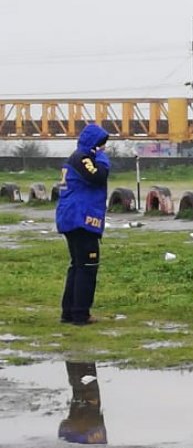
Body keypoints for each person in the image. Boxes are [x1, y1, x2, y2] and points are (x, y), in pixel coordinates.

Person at [56, 124, 111, 325]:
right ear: (94, 144)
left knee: (77, 266)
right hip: (81, 218)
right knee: (87, 266)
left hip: (71, 217)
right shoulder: (82, 158)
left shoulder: (75, 157)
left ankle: (68, 312)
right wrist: (103, 159)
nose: (104, 149)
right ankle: (80, 313)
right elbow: (98, 176)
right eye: (102, 145)